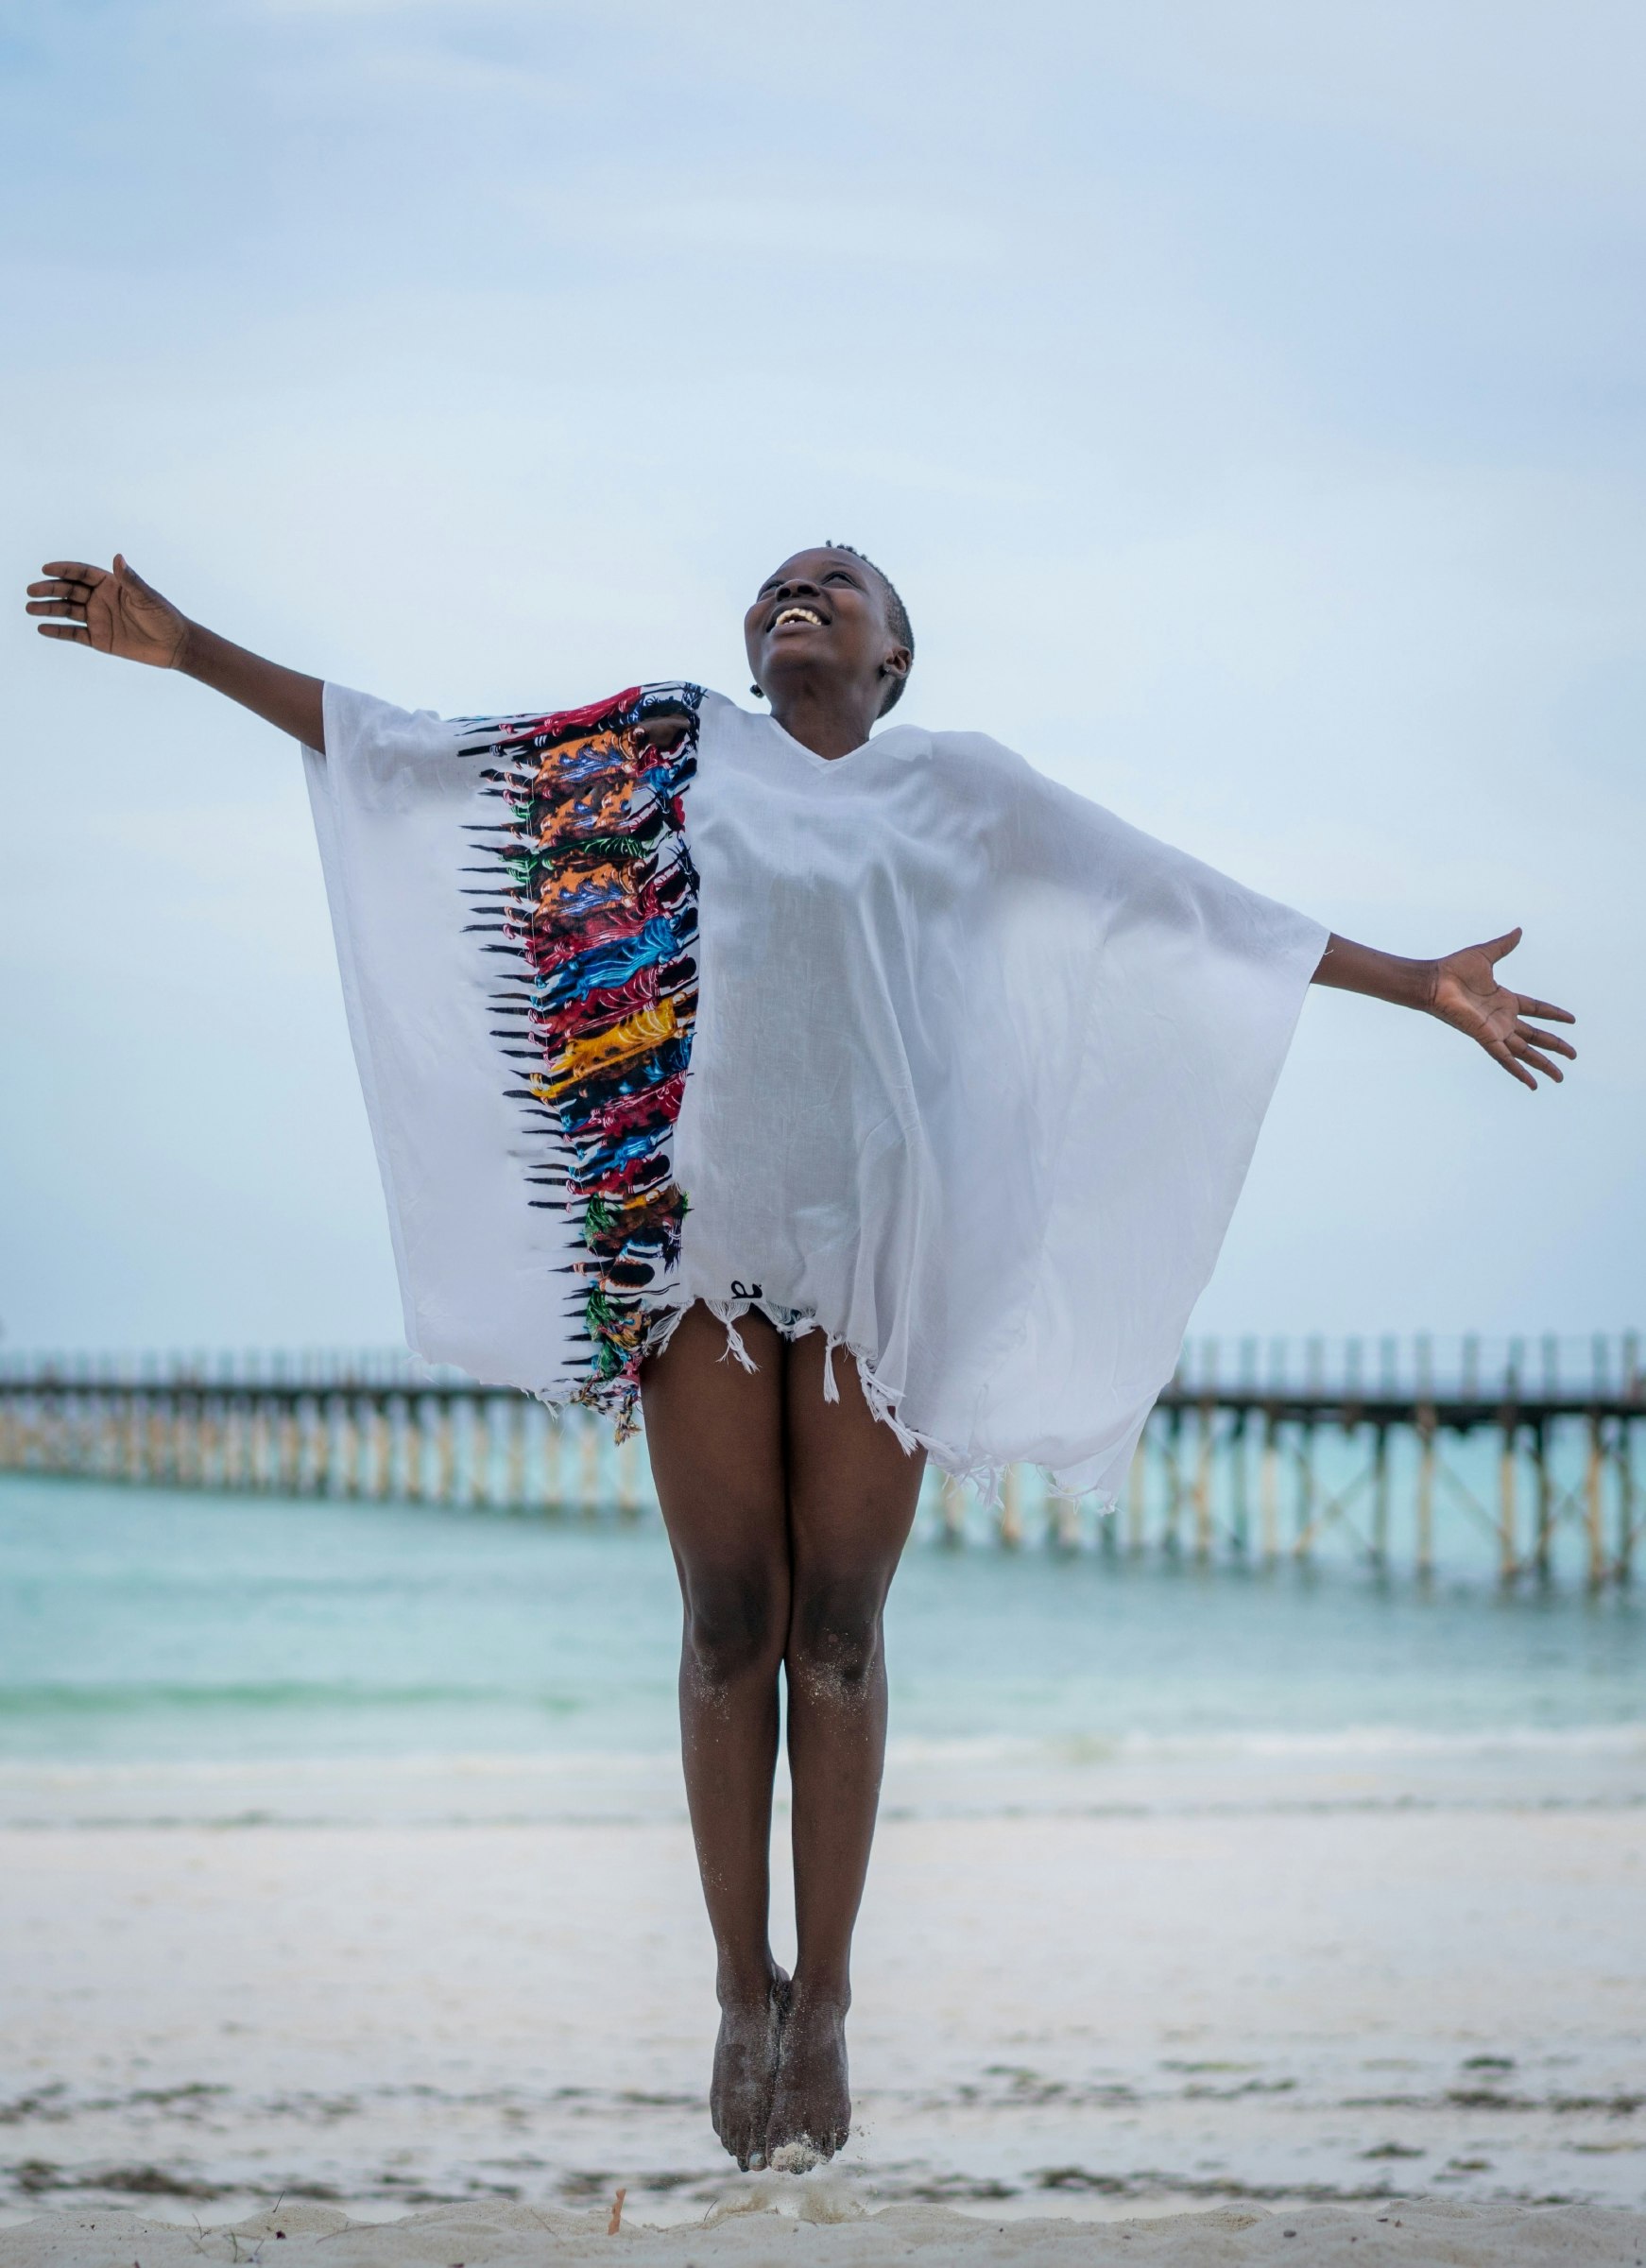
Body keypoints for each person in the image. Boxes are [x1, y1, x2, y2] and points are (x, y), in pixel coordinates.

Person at [26, 548, 1575, 2171]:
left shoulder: (966, 793)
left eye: (839, 584)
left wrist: (1414, 982)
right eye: (776, 582)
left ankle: (824, 1997)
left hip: (884, 1260)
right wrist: (189, 647)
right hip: (699, 1244)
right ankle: (733, 1988)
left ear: (896, 657)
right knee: (727, 1624)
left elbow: (1177, 902)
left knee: (835, 1631)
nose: (800, 591)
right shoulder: (675, 745)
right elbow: (423, 755)